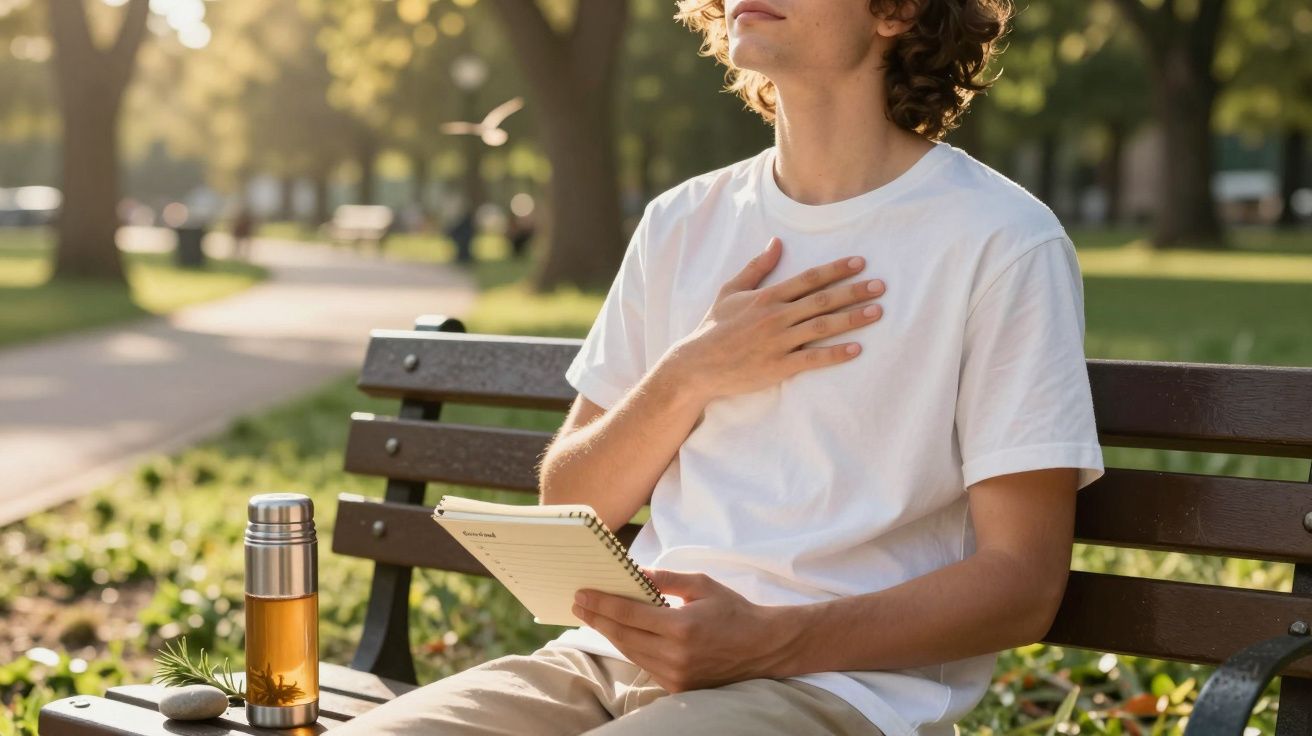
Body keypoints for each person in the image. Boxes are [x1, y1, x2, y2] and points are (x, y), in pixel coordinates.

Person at [333, 0, 1103, 734]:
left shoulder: (1001, 243)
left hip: (832, 694)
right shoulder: (680, 222)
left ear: (895, 11)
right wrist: (691, 372)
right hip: (605, 664)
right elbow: (571, 502)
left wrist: (771, 641)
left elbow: (1022, 582)